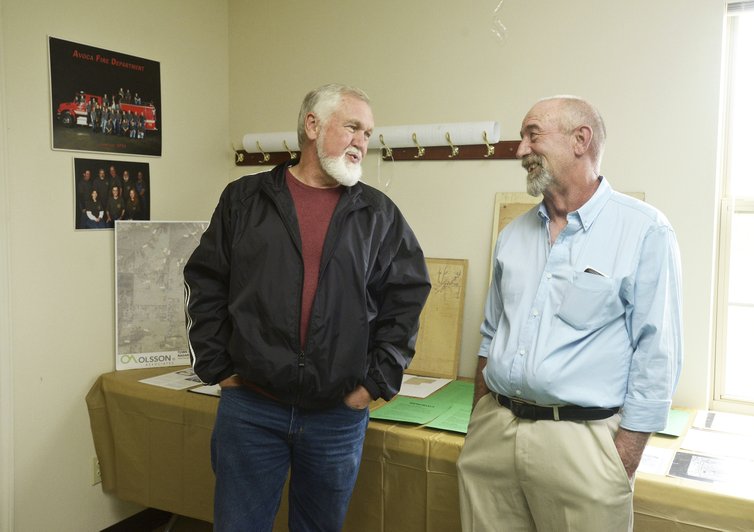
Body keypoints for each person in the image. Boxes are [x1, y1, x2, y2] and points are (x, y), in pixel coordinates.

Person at [183, 83, 431, 532]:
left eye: (368, 133)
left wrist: (374, 383)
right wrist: (219, 367)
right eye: (353, 126)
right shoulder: (244, 200)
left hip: (337, 416)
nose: (362, 141)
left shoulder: (379, 214)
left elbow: (407, 299)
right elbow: (205, 282)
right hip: (252, 409)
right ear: (312, 126)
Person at [456, 95, 683, 532]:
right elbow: (490, 334)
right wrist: (479, 420)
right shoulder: (513, 236)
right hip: (494, 435)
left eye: (532, 134)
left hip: (583, 445)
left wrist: (623, 458)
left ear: (581, 140)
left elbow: (658, 355)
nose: (520, 149)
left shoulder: (645, 231)